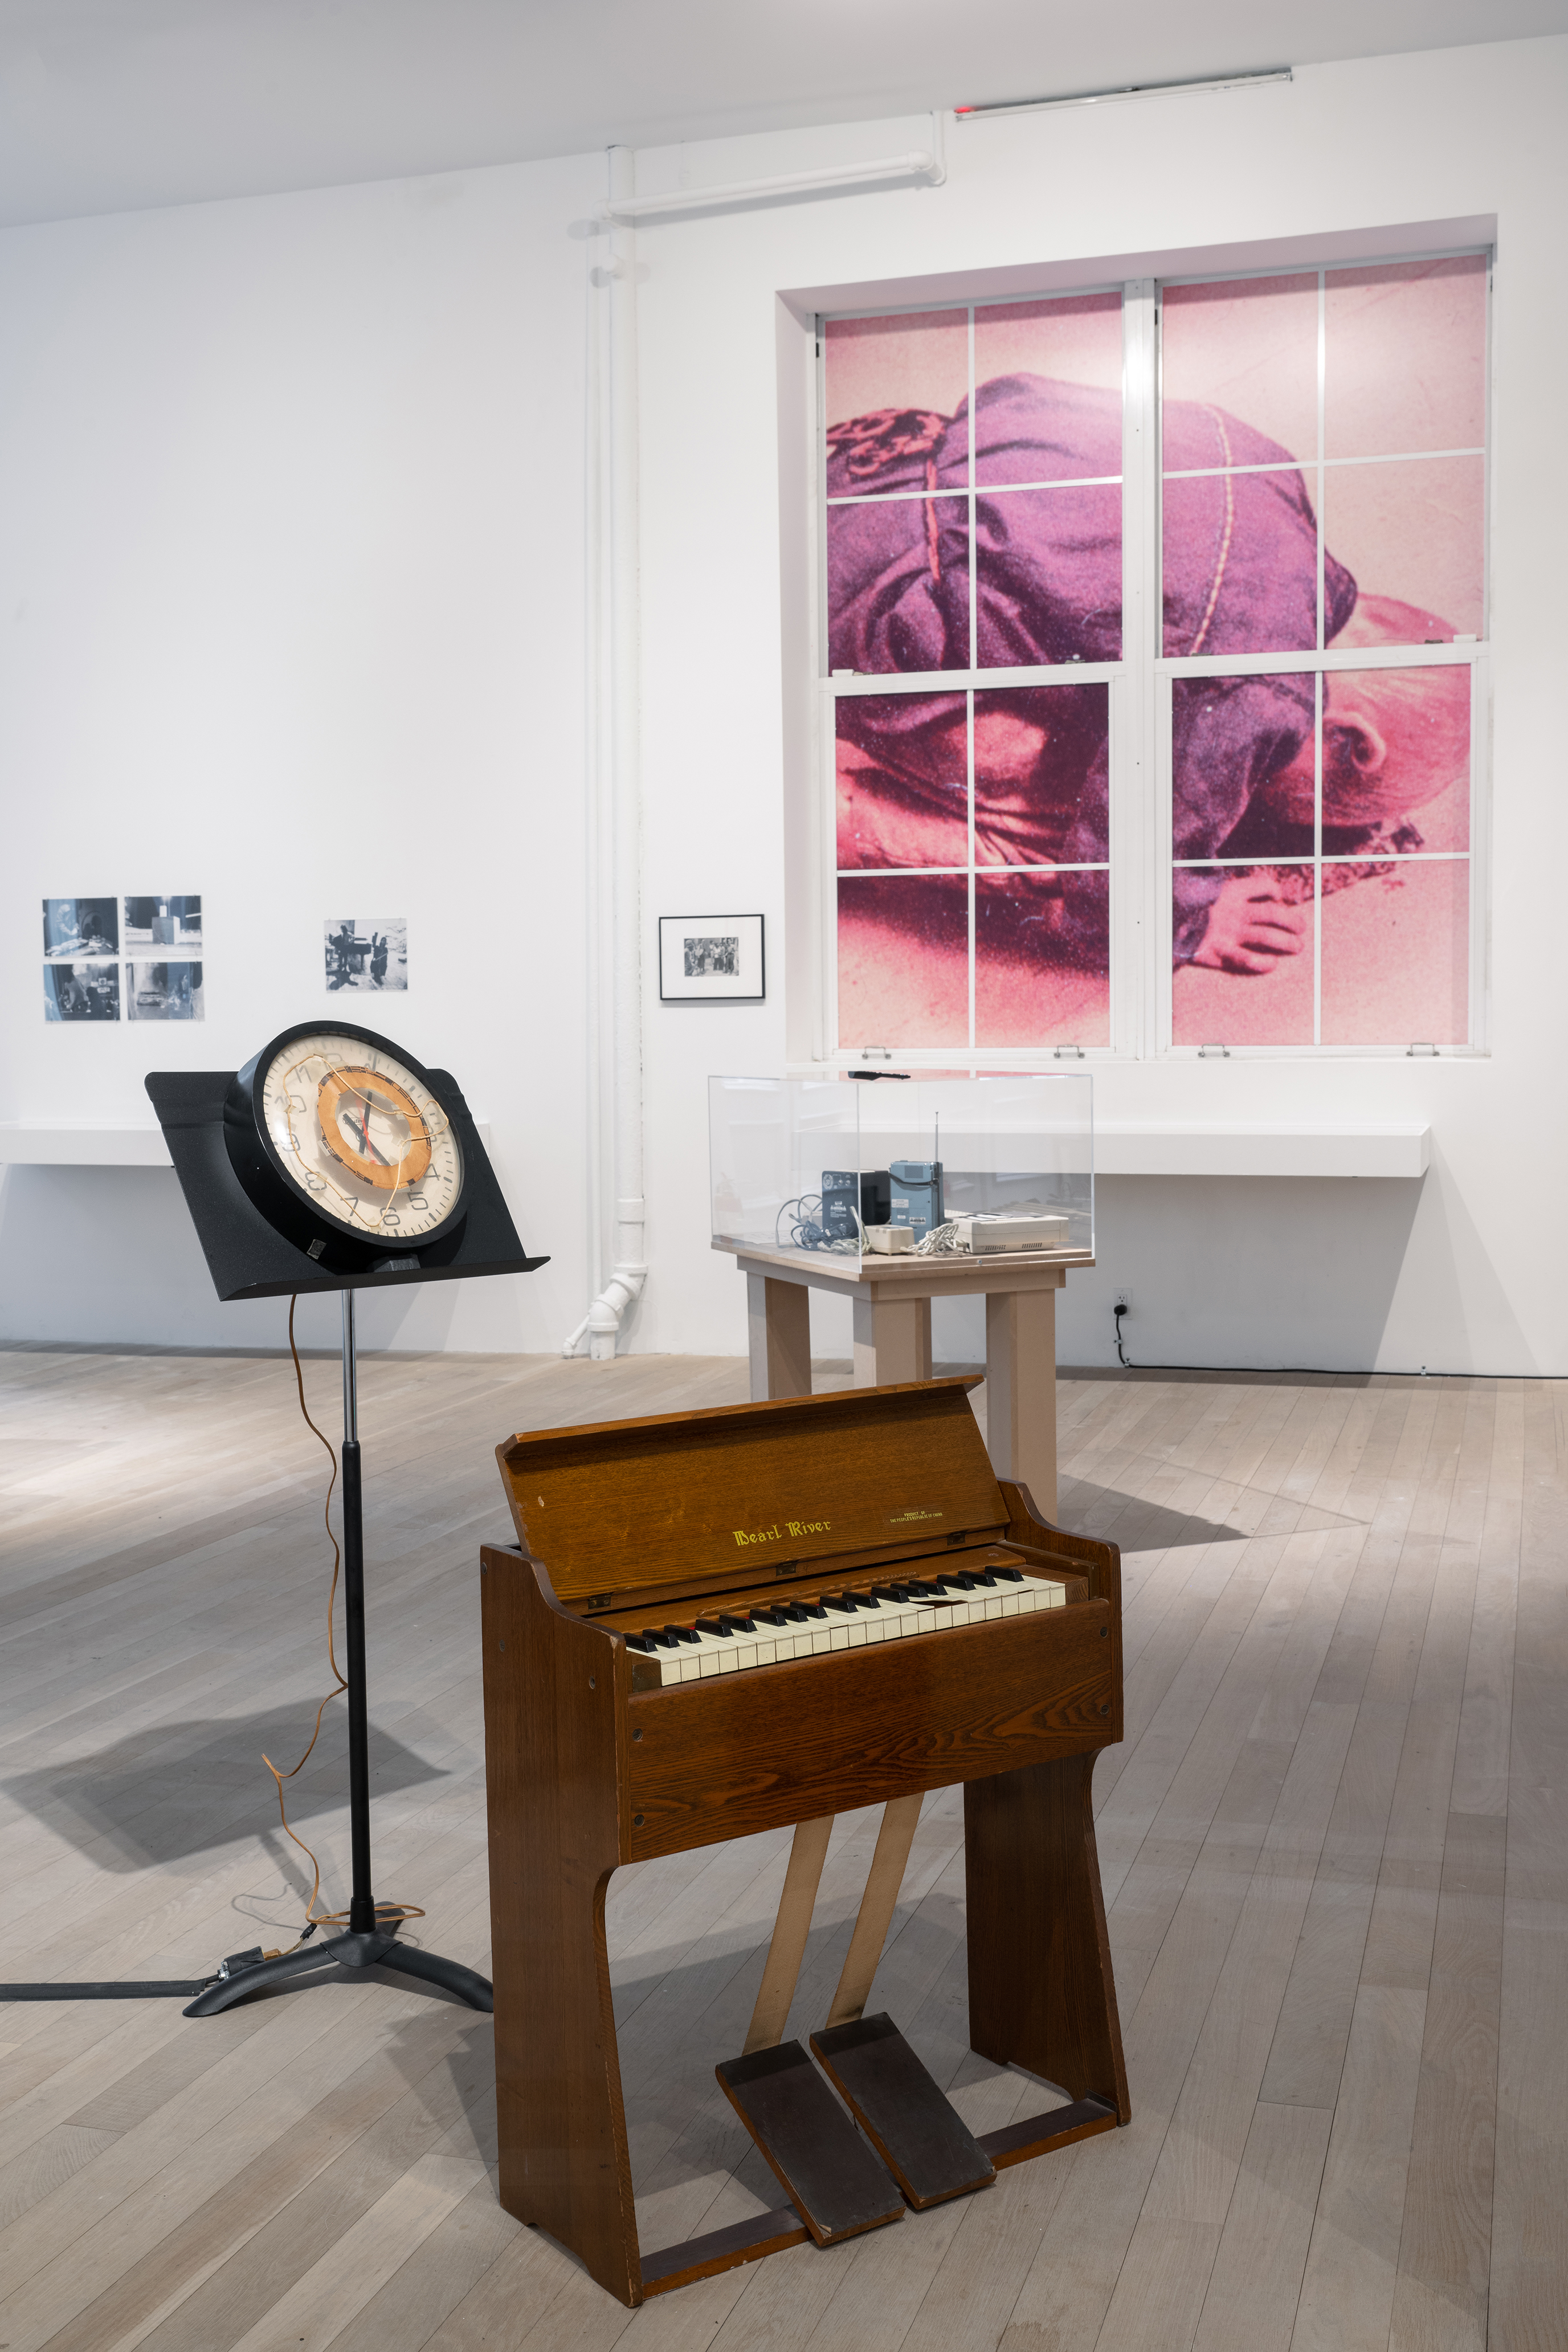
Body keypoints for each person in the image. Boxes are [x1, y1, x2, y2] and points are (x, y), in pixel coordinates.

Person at [827, 375, 1466, 982]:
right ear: (1349, 741)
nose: (1259, 786)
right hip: (859, 601)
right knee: (1074, 826)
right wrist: (1181, 922)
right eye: (1306, 799)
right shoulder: (1262, 694)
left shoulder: (1274, 478)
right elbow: (1126, 861)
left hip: (883, 461)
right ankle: (839, 821)